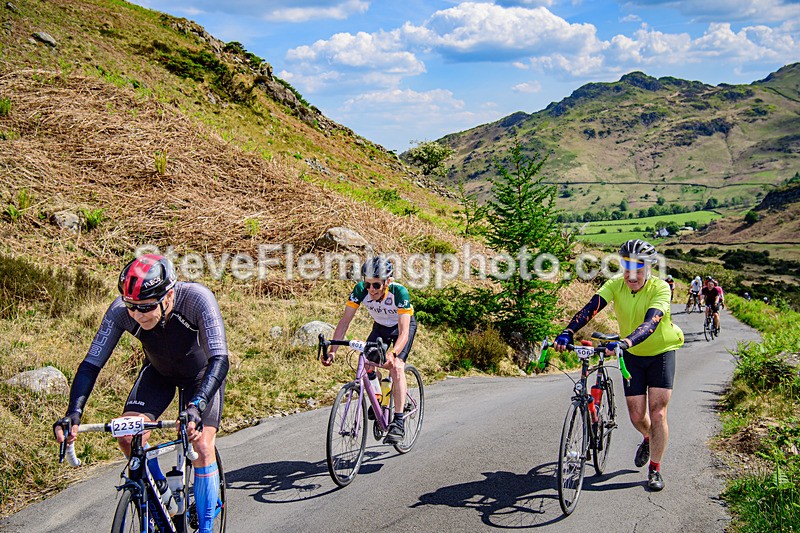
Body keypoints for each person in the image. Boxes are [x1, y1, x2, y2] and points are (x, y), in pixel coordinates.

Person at [53, 254, 228, 533]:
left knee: (202, 446)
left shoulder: (197, 299)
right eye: (131, 307)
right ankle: (158, 493)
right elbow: (90, 364)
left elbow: (220, 360)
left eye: (146, 307)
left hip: (201, 376)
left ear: (168, 295)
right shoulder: (121, 311)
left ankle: (206, 528)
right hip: (158, 374)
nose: (137, 315)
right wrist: (74, 413)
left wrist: (197, 405)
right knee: (127, 436)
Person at [553, 239, 684, 491]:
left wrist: (625, 341)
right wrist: (568, 331)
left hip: (661, 353)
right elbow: (590, 309)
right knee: (637, 416)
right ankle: (648, 437)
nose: (631, 275)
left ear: (648, 268)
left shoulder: (660, 289)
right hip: (632, 355)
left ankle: (655, 469)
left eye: (638, 269)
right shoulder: (615, 285)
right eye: (627, 268)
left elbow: (651, 322)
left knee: (657, 412)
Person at [321, 257, 416, 443]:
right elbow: (344, 322)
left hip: (401, 328)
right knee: (368, 363)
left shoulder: (399, 293)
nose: (371, 290)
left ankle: (398, 422)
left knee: (396, 366)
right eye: (367, 285)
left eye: (376, 285)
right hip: (380, 327)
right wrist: (333, 351)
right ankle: (379, 395)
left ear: (387, 282)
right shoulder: (360, 291)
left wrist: (393, 353)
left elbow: (404, 333)